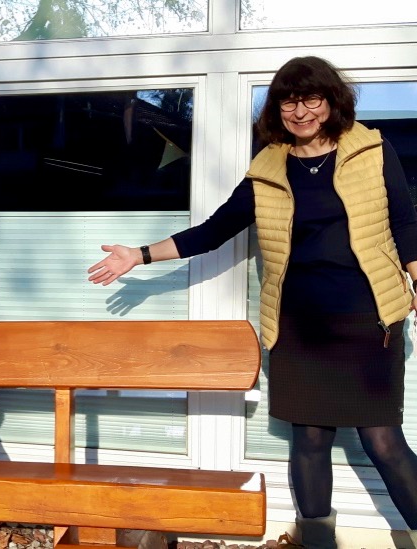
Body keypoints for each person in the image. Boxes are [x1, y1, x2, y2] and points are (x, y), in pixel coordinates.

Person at [88, 56, 417, 549]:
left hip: (367, 324)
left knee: (384, 442)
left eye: (311, 98)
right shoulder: (268, 167)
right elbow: (216, 229)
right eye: (288, 99)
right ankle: (319, 542)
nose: (300, 110)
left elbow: (406, 223)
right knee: (309, 442)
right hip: (299, 329)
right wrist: (140, 254)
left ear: (331, 102)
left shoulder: (372, 149)